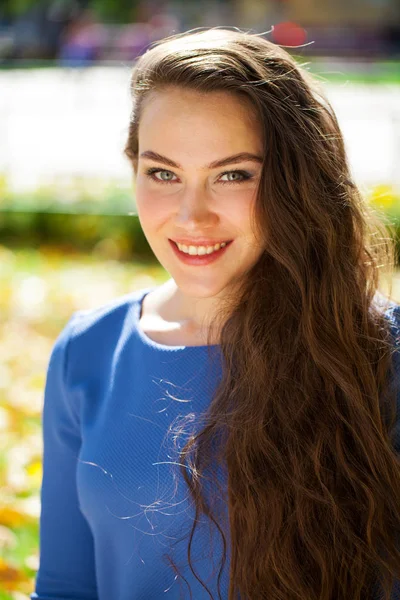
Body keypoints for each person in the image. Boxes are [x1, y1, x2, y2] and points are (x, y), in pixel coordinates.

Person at [31, 27, 400, 600]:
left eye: (233, 175)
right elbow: (64, 586)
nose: (191, 216)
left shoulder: (379, 350)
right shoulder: (88, 350)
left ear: (294, 182)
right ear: (133, 170)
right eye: (163, 173)